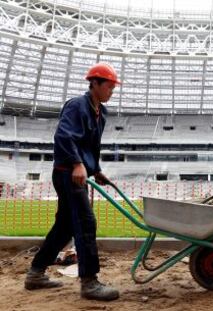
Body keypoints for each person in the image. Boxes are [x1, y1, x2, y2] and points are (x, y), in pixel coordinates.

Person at [24, 63, 121, 301]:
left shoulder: (102, 113)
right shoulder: (77, 106)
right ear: (94, 84)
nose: (111, 91)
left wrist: (95, 170)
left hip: (78, 172)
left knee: (65, 227)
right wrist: (78, 164)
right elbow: (64, 136)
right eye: (108, 86)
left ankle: (35, 273)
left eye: (113, 87)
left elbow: (90, 146)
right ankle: (89, 282)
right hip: (68, 172)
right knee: (86, 222)